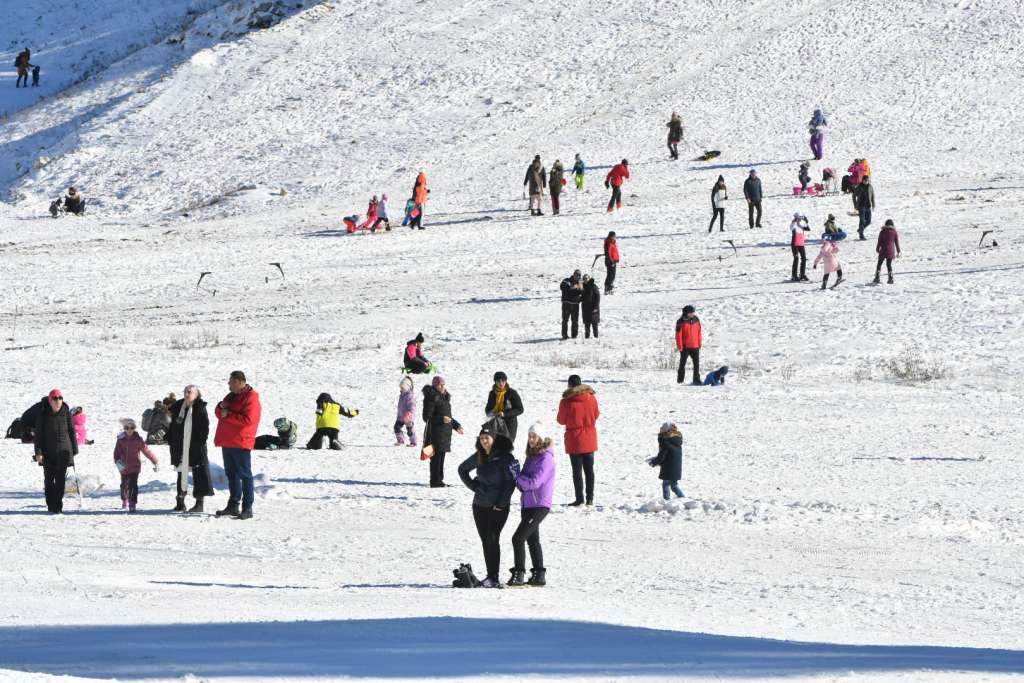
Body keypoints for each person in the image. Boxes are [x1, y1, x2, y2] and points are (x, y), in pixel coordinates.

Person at [458, 419, 519, 588]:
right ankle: (490, 575)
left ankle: (494, 576)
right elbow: (462, 469)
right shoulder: (480, 455)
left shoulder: (505, 457)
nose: (484, 440)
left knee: (493, 538)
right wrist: (474, 486)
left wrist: (500, 503)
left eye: (487, 437)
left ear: (494, 438)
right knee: (486, 540)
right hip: (479, 506)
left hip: (498, 507)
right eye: (481, 438)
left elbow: (510, 483)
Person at [508, 421, 555, 587]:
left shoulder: (546, 458)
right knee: (532, 540)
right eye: (529, 436)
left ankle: (519, 573)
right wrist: (517, 475)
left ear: (541, 438)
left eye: (534, 436)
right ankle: (538, 575)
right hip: (528, 504)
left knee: (518, 538)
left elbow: (534, 483)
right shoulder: (532, 456)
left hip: (539, 505)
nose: (531, 439)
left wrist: (516, 476)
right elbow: (523, 485)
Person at [213, 370, 261, 520]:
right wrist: (221, 407)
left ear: (240, 382)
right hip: (228, 441)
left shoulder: (251, 398)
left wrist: (228, 415)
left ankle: (247, 508)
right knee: (231, 475)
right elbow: (218, 412)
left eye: (231, 381)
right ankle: (233, 505)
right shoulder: (230, 396)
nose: (228, 384)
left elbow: (248, 420)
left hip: (241, 442)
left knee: (245, 475)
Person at [167, 385, 213, 513]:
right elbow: (173, 426)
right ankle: (180, 502)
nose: (187, 394)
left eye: (190, 392)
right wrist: (170, 438)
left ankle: (199, 503)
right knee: (181, 472)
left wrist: (200, 443)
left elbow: (205, 427)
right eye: (185, 391)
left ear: (196, 394)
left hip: (196, 446)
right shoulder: (178, 407)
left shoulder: (200, 408)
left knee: (199, 473)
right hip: (180, 446)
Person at [556, 374, 600, 506]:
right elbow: (596, 414)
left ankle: (579, 499)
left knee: (577, 471)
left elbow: (561, 420)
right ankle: (590, 499)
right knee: (589, 470)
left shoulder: (566, 401)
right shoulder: (592, 398)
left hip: (574, 439)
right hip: (590, 437)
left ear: (569, 385)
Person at [33, 390, 77, 514]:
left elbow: (71, 431)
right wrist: (38, 452)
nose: (57, 401)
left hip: (64, 452)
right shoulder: (43, 414)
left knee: (60, 480)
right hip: (47, 453)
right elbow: (39, 436)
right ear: (50, 400)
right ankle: (50, 503)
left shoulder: (66, 413)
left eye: (60, 398)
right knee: (48, 480)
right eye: (55, 398)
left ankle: (57, 506)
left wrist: (74, 450)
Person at [422, 375, 463, 487]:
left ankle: (439, 480)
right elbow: (427, 417)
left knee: (441, 457)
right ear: (435, 386)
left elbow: (448, 417)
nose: (442, 386)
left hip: (444, 434)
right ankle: (435, 481)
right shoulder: (431, 397)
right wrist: (441, 419)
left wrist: (457, 426)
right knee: (435, 458)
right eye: (440, 384)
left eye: (443, 384)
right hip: (435, 433)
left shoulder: (444, 397)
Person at [113, 418, 159, 513]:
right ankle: (124, 499)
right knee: (124, 485)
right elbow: (116, 454)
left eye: (132, 427)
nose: (129, 430)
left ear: (134, 428)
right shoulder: (120, 439)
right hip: (123, 468)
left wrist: (155, 461)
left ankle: (132, 503)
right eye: (127, 427)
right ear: (124, 429)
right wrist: (119, 465)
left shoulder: (138, 440)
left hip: (135, 467)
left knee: (133, 486)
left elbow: (147, 451)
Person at [485, 371, 524, 444]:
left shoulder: (512, 393)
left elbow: (520, 409)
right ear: (495, 382)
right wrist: (492, 412)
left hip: (510, 424)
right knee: (494, 447)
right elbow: (487, 410)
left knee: (507, 447)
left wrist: (504, 414)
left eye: (503, 380)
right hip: (495, 423)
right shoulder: (492, 394)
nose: (501, 383)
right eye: (498, 381)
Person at [648, 422, 684, 500]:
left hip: (668, 467)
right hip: (676, 466)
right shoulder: (676, 439)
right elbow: (669, 453)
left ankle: (667, 500)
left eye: (662, 428)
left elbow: (662, 455)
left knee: (666, 484)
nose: (660, 429)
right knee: (674, 485)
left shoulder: (666, 441)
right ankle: (683, 498)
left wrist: (654, 462)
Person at [675, 305, 702, 385]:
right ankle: (680, 381)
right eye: (691, 312)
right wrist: (680, 346)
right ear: (686, 313)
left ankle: (696, 380)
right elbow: (678, 335)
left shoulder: (696, 319)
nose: (693, 313)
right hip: (685, 347)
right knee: (682, 364)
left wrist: (699, 343)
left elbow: (699, 332)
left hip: (695, 346)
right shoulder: (680, 321)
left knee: (696, 365)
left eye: (693, 312)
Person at [874, 219, 901, 284]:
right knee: (889, 264)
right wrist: (898, 251)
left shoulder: (882, 231)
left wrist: (877, 249)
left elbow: (879, 241)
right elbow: (896, 242)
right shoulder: (894, 232)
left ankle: (877, 277)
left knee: (879, 264)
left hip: (883, 250)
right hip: (891, 251)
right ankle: (890, 278)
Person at [560, 270, 584, 340]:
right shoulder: (566, 280)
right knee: (565, 320)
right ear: (573, 274)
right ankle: (564, 335)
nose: (578, 276)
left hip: (575, 304)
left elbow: (581, 291)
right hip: (566, 304)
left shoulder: (580, 282)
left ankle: (574, 335)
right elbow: (563, 288)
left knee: (575, 321)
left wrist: (574, 289)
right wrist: (574, 288)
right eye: (577, 275)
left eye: (579, 275)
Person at [395, 377, 418, 447]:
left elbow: (412, 407)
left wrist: (409, 413)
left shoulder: (410, 396)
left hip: (408, 417)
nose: (401, 389)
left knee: (410, 430)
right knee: (397, 428)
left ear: (408, 387)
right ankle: (400, 440)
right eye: (401, 388)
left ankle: (413, 442)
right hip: (401, 416)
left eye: (403, 388)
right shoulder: (402, 395)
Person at [790, 213, 810, 282]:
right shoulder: (794, 226)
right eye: (798, 219)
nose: (799, 220)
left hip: (801, 244)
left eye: (800, 219)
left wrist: (806, 221)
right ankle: (794, 276)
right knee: (796, 258)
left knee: (804, 259)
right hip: (794, 245)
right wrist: (794, 220)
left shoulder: (801, 226)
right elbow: (791, 227)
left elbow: (809, 228)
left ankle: (802, 275)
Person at [581, 274, 600, 339]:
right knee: (587, 323)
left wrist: (595, 307)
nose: (585, 279)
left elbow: (597, 297)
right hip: (585, 308)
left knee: (594, 323)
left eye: (586, 278)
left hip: (593, 308)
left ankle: (596, 336)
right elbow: (582, 297)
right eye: (584, 278)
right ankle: (587, 337)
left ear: (589, 279)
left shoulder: (593, 286)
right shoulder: (582, 287)